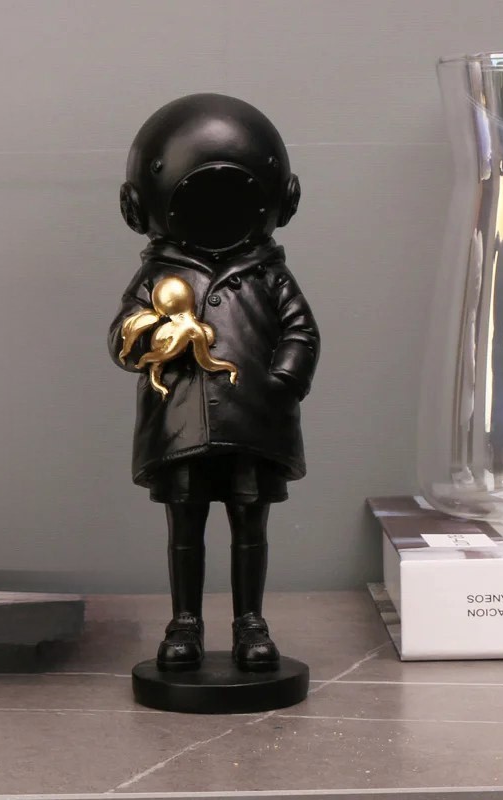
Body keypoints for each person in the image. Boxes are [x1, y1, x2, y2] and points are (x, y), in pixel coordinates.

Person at [108, 94, 320, 672]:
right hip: (183, 423)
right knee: (186, 525)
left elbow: (301, 331)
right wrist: (148, 338)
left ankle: (250, 621)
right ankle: (185, 621)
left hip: (254, 420)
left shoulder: (269, 274)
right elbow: (122, 337)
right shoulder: (158, 274)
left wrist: (283, 379)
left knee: (250, 523)